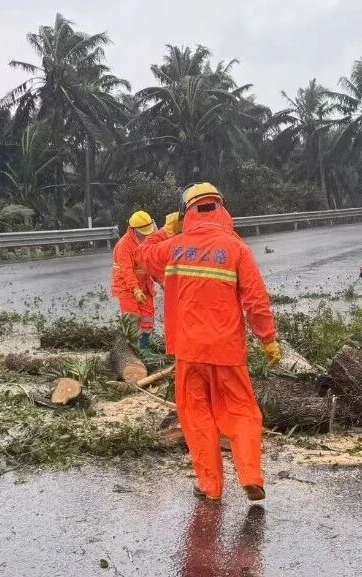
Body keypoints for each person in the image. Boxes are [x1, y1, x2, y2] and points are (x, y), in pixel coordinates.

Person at [137, 182, 283, 503]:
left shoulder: (174, 246)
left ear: (184, 212)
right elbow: (256, 301)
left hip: (189, 353)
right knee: (243, 412)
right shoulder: (236, 248)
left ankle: (211, 487)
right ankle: (250, 476)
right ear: (221, 208)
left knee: (196, 417)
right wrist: (268, 341)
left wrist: (164, 230)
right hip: (227, 351)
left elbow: (143, 256)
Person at [111, 210, 159, 349]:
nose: (145, 235)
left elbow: (152, 263)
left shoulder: (150, 240)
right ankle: (132, 349)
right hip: (127, 288)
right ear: (133, 230)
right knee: (132, 319)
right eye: (142, 233)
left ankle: (144, 348)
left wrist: (161, 280)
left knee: (147, 318)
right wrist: (135, 289)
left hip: (145, 286)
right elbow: (126, 270)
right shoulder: (124, 245)